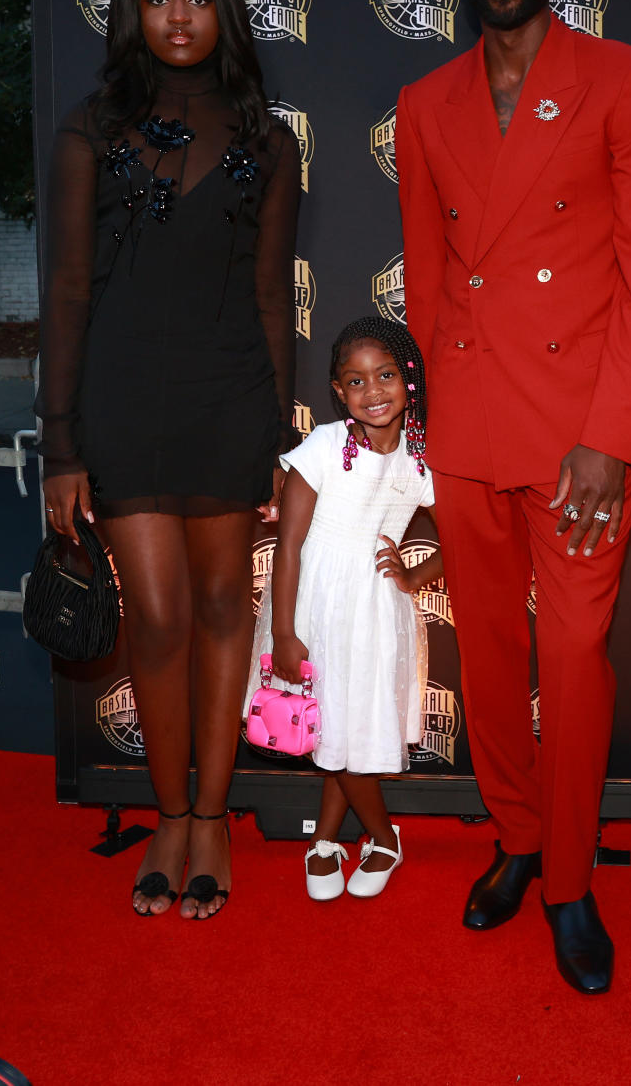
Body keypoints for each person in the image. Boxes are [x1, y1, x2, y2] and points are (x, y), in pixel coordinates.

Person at [395, 0, 631, 994]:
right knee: (489, 650)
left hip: (578, 434)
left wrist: (610, 438)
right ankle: (516, 836)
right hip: (468, 425)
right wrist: (433, 419)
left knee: (570, 660)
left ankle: (568, 877)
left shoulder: (622, 78)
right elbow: (427, 274)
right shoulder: (426, 101)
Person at [37, 0, 301, 919]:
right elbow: (65, 290)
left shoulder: (270, 141)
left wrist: (279, 438)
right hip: (123, 401)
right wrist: (61, 446)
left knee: (228, 601)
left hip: (230, 398)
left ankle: (214, 816)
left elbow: (273, 296)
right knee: (155, 614)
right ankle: (168, 813)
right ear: (134, 13)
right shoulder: (90, 132)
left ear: (222, 13)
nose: (179, 15)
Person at [247, 316, 440, 899]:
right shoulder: (326, 445)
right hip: (312, 605)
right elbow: (288, 546)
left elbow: (466, 536)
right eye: (355, 381)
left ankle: (340, 838)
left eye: (385, 375)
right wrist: (283, 632)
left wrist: (413, 576)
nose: (372, 391)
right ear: (337, 391)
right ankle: (376, 836)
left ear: (408, 380)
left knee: (350, 726)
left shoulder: (426, 460)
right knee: (332, 723)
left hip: (377, 614)